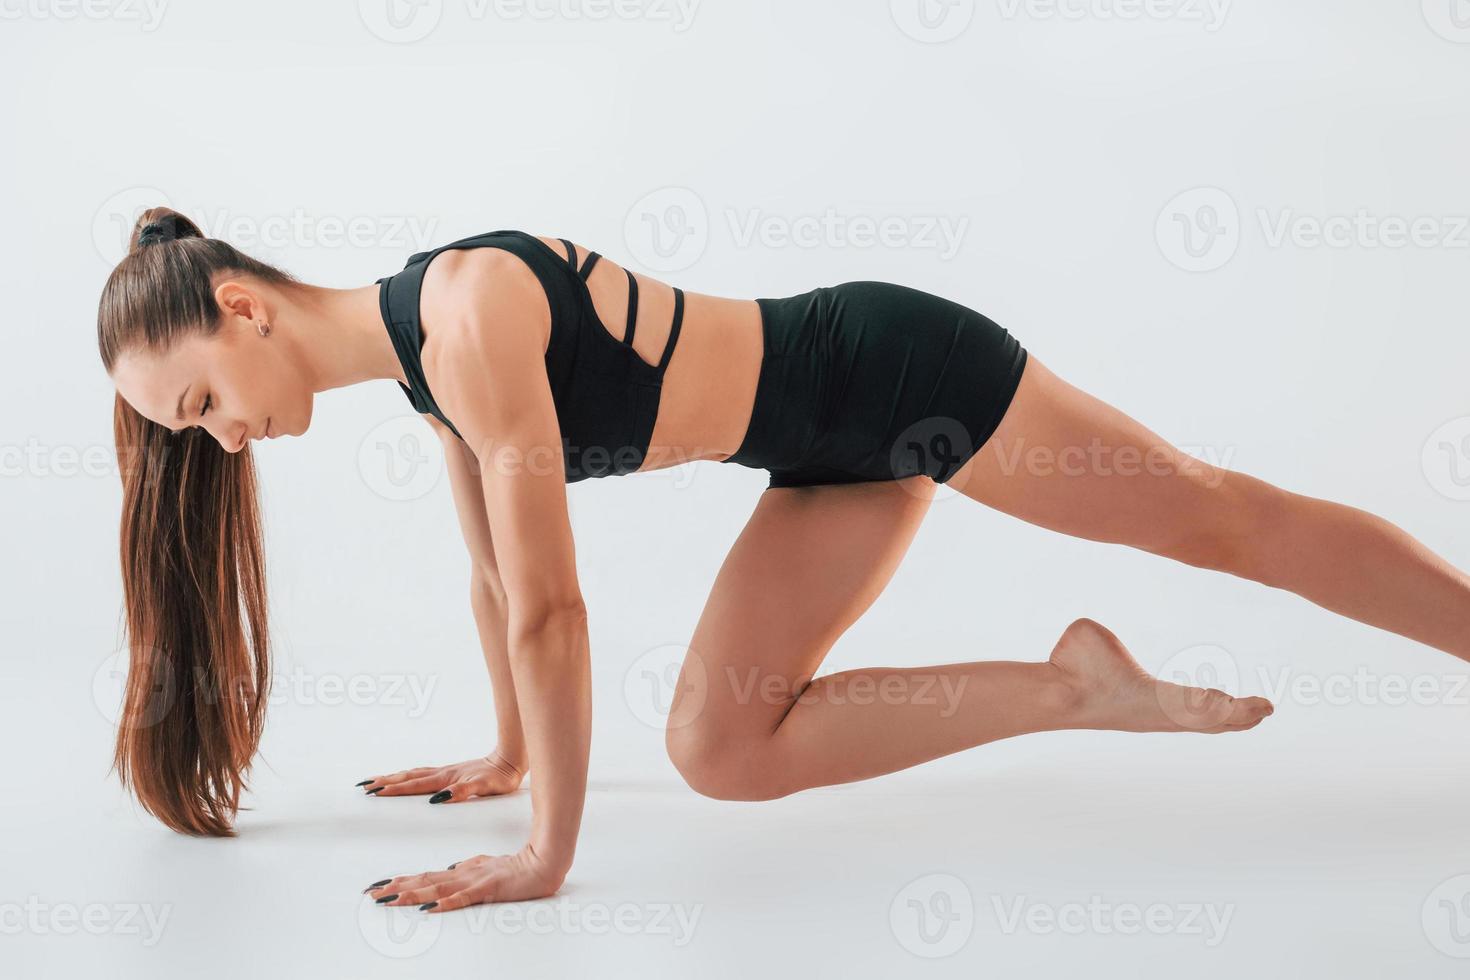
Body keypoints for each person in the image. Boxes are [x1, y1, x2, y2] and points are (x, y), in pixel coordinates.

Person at [97, 206, 1470, 913]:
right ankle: (1075, 687)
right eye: (191, 433)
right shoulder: (420, 371)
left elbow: (554, 609)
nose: (218, 441)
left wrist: (545, 855)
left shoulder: (463, 311)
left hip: (895, 369)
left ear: (238, 309)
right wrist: (509, 755)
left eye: (200, 402)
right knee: (721, 751)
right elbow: (492, 586)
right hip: (817, 456)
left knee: (1219, 520)